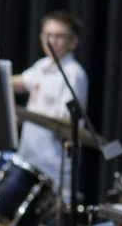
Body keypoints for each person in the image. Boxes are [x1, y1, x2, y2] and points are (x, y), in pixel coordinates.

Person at [13, 10, 89, 197]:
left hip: (51, 168)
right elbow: (21, 82)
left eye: (58, 36)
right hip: (28, 159)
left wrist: (25, 116)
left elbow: (65, 122)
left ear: (73, 42)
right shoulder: (43, 66)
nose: (51, 41)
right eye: (47, 35)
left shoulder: (73, 73)